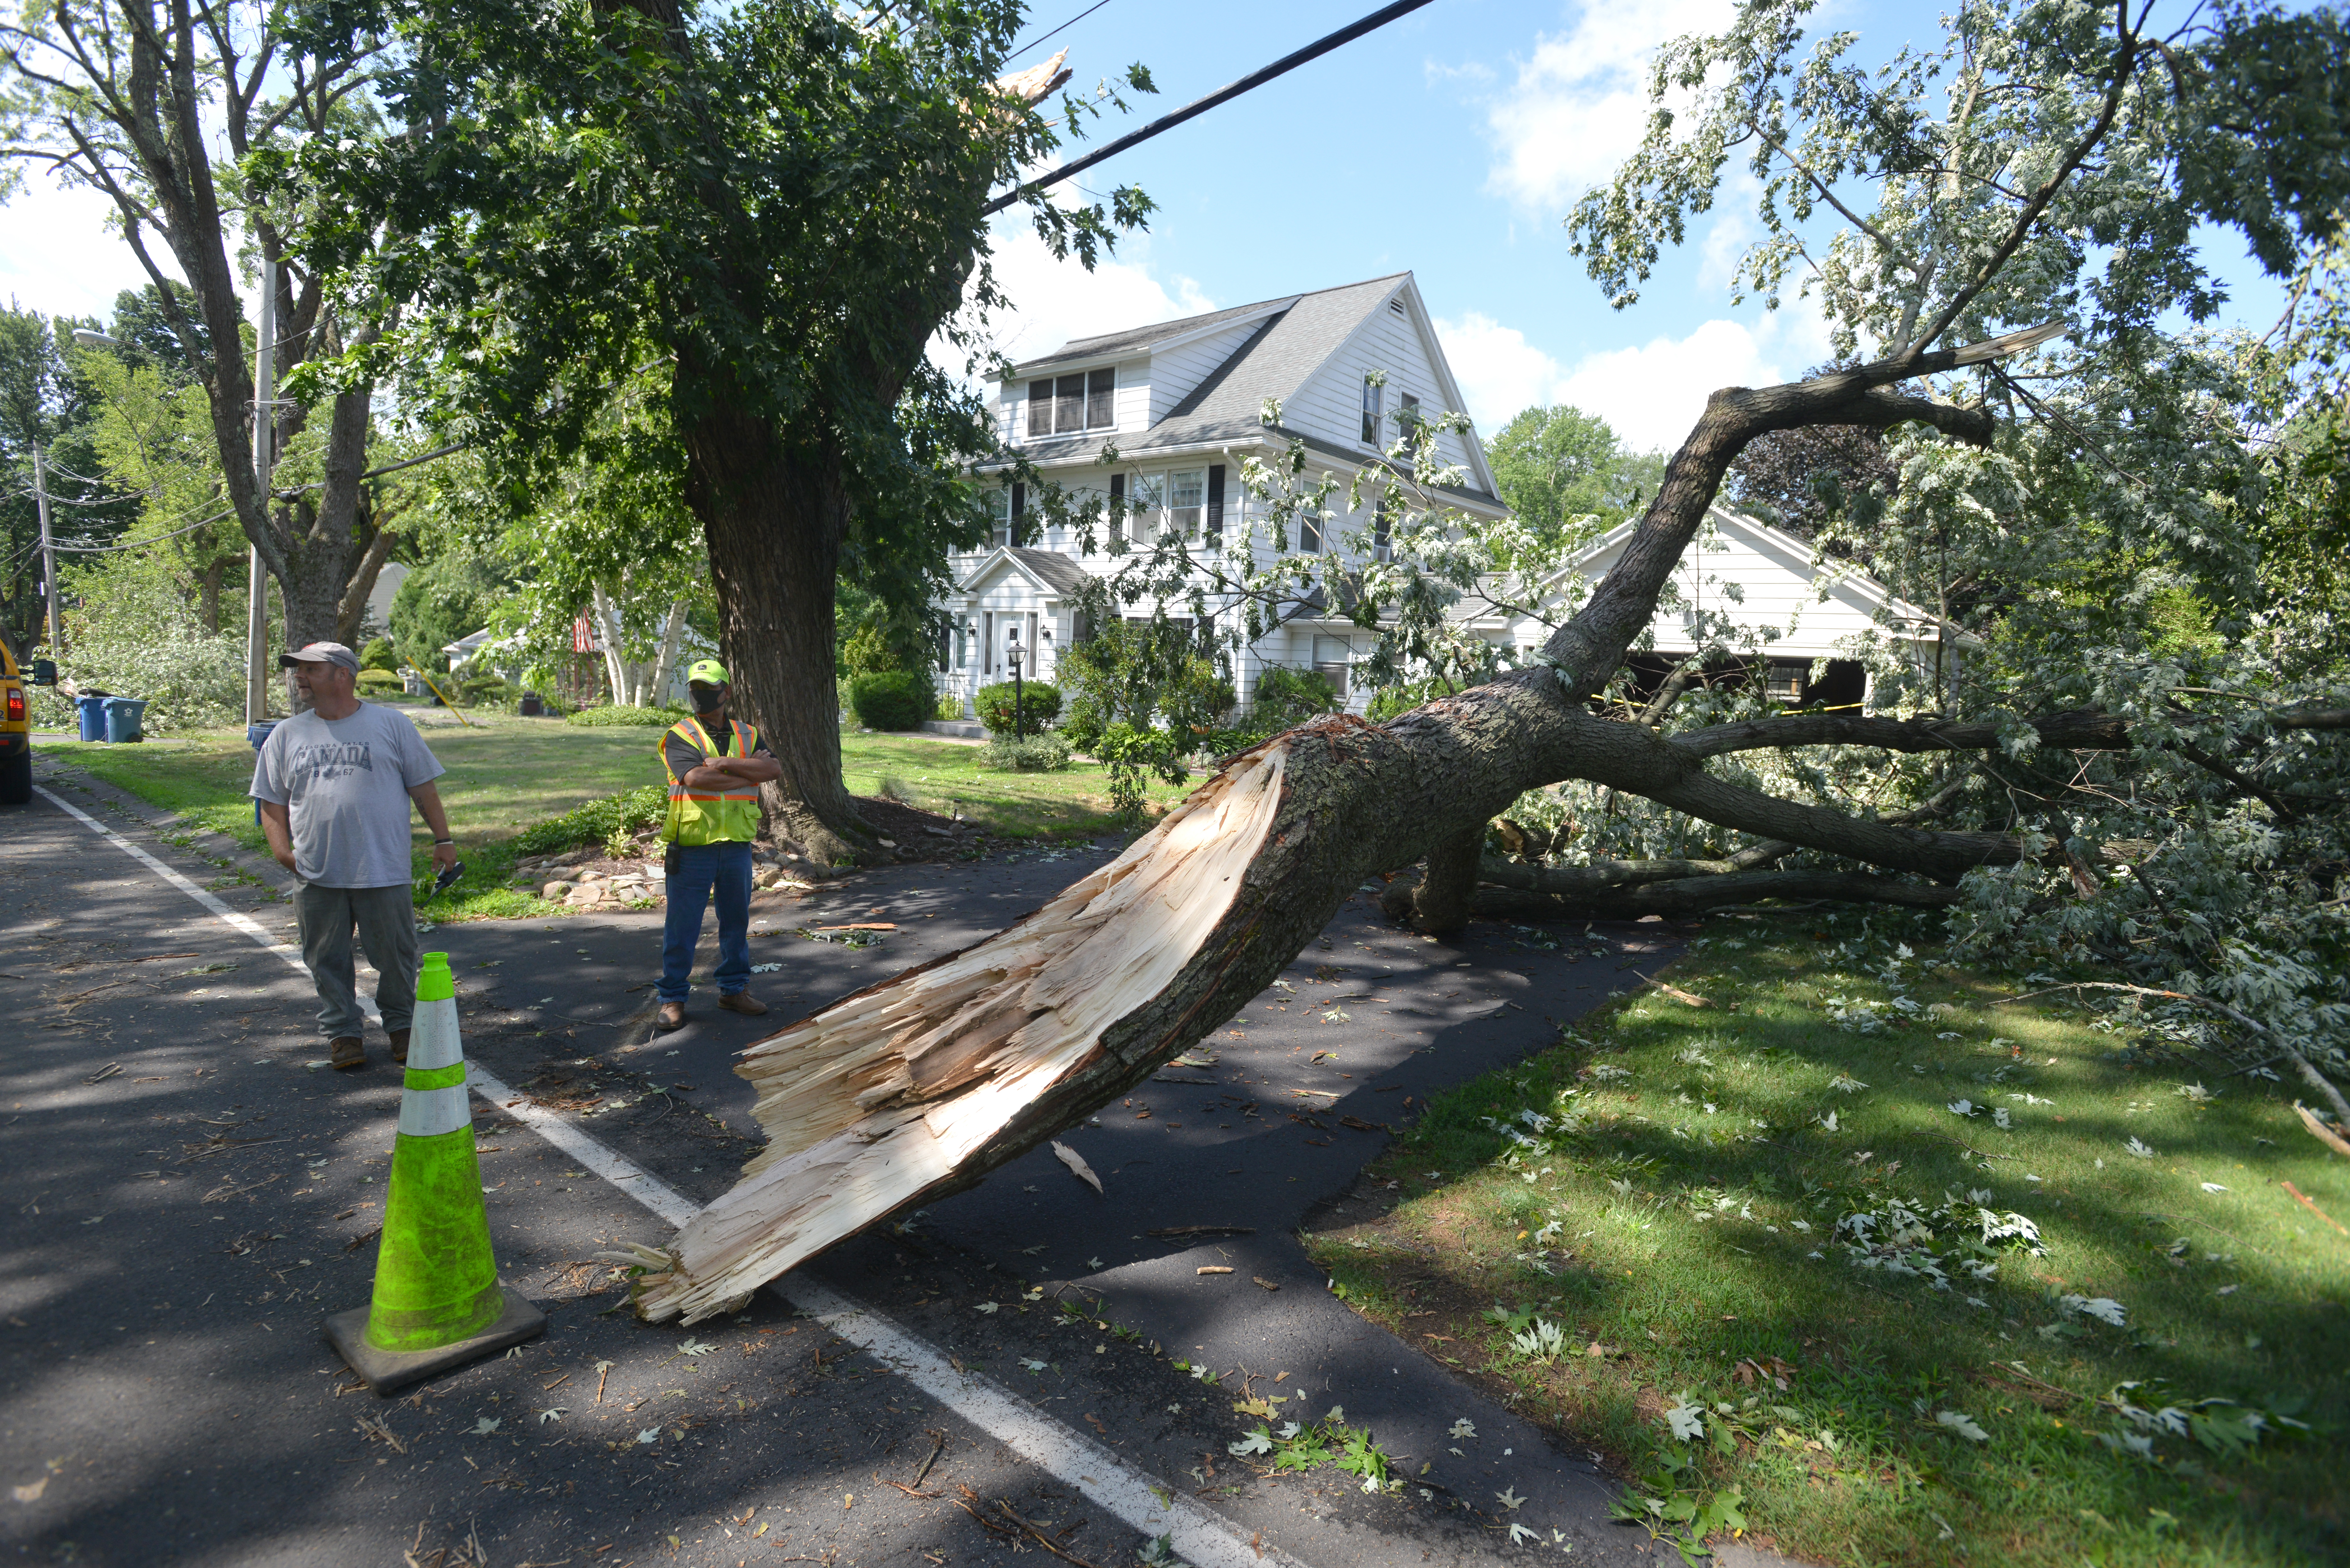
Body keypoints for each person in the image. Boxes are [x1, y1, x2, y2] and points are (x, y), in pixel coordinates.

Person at [250, 642, 460, 1072]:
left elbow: (423, 788)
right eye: (298, 670)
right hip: (317, 869)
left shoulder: (391, 724)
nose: (299, 677)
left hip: (382, 867)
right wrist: (281, 851)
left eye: (310, 669)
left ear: (342, 674)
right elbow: (271, 801)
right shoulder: (287, 735)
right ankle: (344, 1034)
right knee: (325, 958)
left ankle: (402, 1028)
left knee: (396, 956)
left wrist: (443, 840)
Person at [656, 659, 782, 1032]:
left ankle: (733, 990)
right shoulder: (681, 734)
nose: (700, 694)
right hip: (693, 845)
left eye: (709, 688)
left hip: (737, 846)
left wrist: (726, 763)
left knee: (736, 923)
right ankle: (673, 998)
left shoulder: (748, 733)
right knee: (682, 926)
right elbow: (695, 778)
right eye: (695, 687)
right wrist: (747, 772)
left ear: (726, 692)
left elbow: (773, 771)